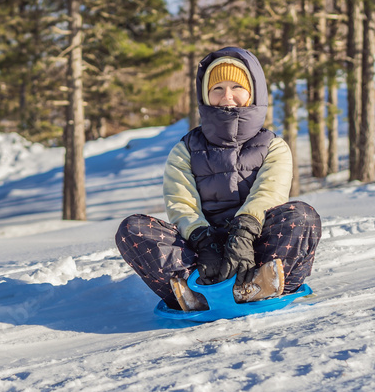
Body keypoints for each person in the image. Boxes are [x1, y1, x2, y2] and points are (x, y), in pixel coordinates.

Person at [116, 46, 322, 311]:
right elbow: (182, 203)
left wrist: (244, 234)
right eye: (217, 89)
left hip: (257, 243)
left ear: (254, 92)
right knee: (132, 229)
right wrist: (204, 242)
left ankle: (262, 284)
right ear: (205, 95)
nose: (227, 97)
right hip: (203, 254)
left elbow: (270, 193)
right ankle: (196, 293)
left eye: (237, 86)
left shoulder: (273, 146)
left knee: (302, 216)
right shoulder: (186, 148)